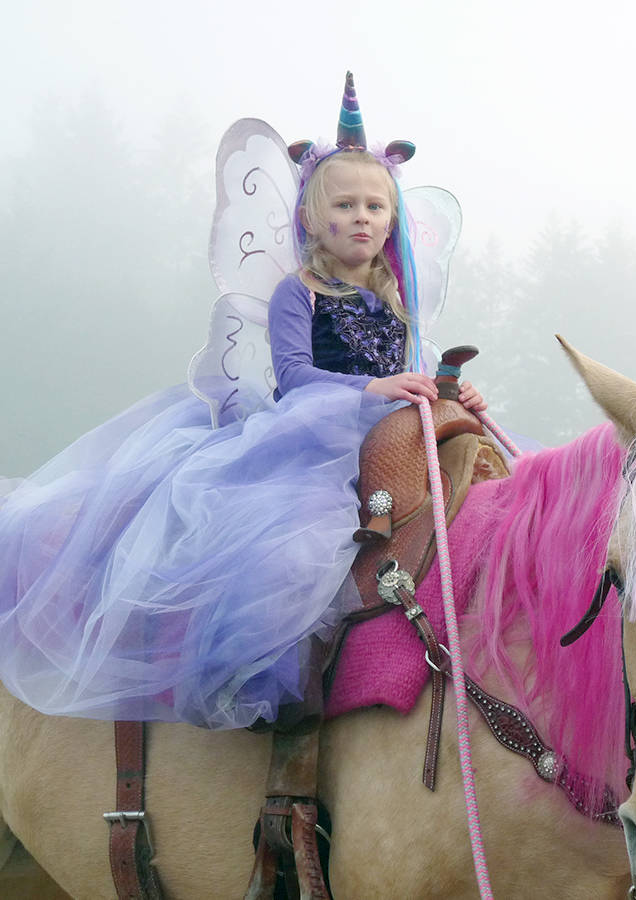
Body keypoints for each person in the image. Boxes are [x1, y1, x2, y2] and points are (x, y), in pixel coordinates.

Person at [0, 73, 483, 730]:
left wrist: (446, 391)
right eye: (343, 205)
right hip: (310, 442)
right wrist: (373, 389)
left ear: (392, 217)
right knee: (293, 558)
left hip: (386, 439)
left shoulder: (398, 299)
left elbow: (412, 372)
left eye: (374, 206)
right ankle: (269, 698)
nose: (360, 218)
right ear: (311, 218)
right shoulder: (300, 292)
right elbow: (297, 376)